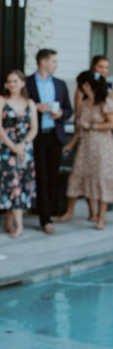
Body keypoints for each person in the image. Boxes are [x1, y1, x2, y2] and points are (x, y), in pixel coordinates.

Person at [56, 71, 113, 230]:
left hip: (102, 146)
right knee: (77, 175)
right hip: (85, 145)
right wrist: (70, 144)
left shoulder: (105, 102)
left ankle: (101, 218)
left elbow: (111, 124)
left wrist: (93, 126)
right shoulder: (85, 103)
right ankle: (69, 212)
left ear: (86, 85)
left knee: (101, 178)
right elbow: (79, 129)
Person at [25, 49, 73, 234]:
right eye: (54, 61)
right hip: (36, 136)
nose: (56, 64)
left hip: (55, 135)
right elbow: (20, 106)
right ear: (43, 62)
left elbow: (69, 110)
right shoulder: (27, 83)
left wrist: (61, 114)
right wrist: (35, 107)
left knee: (52, 177)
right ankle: (45, 219)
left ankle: (47, 212)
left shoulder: (60, 84)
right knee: (41, 177)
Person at [0, 70, 38, 238]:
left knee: (21, 184)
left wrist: (23, 145)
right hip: (5, 149)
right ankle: (19, 226)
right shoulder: (1, 101)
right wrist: (12, 146)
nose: (12, 84)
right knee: (12, 184)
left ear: (23, 83)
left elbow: (34, 128)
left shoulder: (30, 103)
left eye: (15, 81)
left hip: (24, 149)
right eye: (9, 81)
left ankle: (9, 222)